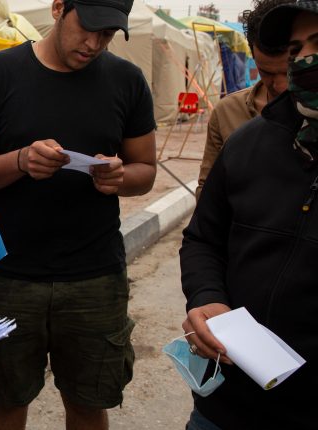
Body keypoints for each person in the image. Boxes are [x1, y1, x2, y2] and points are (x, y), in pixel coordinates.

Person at [0, 0, 157, 429]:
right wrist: (20, 162)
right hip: (11, 272)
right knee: (7, 397)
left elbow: (146, 171)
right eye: (86, 28)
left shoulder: (127, 80)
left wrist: (120, 177)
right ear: (57, 8)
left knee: (89, 401)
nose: (94, 44)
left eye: (107, 34)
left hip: (96, 277)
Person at [180, 1, 318, 428]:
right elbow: (204, 237)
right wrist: (207, 298)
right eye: (296, 50)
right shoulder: (248, 143)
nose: (304, 61)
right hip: (224, 405)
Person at [195, 0, 292, 199]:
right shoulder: (227, 112)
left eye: (290, 72)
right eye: (267, 73)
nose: (281, 86)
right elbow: (208, 190)